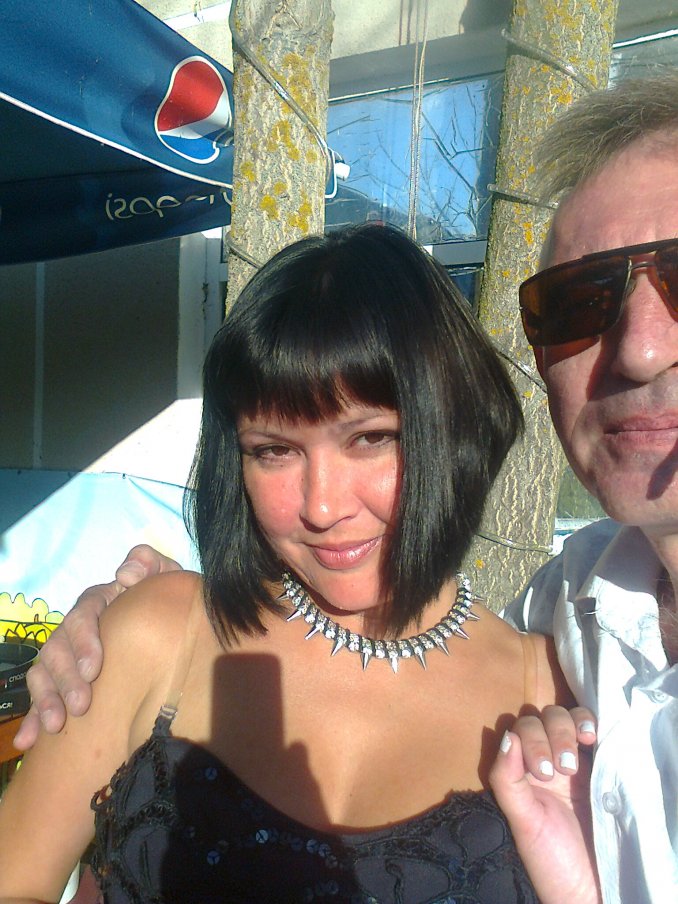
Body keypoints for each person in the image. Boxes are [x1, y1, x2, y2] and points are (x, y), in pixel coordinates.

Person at [0, 224, 596, 903]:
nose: (322, 506)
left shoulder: (552, 691)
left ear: (453, 427)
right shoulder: (161, 632)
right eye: (274, 451)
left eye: (370, 439)